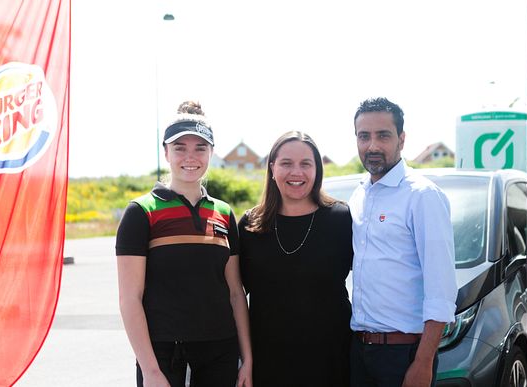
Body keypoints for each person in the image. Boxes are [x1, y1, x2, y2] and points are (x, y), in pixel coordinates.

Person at [116, 101, 252, 387]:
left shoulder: (224, 213)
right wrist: (151, 370)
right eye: (180, 148)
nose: (190, 156)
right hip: (164, 355)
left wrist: (247, 359)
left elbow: (236, 294)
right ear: (166, 152)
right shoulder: (141, 212)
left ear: (211, 153)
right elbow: (130, 299)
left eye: (200, 148)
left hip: (220, 352)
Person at [348, 97, 457, 387]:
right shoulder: (360, 195)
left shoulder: (422, 196)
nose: (372, 146)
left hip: (403, 354)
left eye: (383, 135)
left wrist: (422, 363)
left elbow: (441, 290)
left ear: (402, 139)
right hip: (359, 351)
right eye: (364, 136)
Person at [238, 131, 353, 387]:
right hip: (268, 362)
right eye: (286, 163)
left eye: (305, 164)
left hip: (331, 360)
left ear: (317, 169)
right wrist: (245, 360)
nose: (296, 172)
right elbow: (235, 297)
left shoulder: (341, 219)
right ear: (272, 168)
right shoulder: (249, 226)